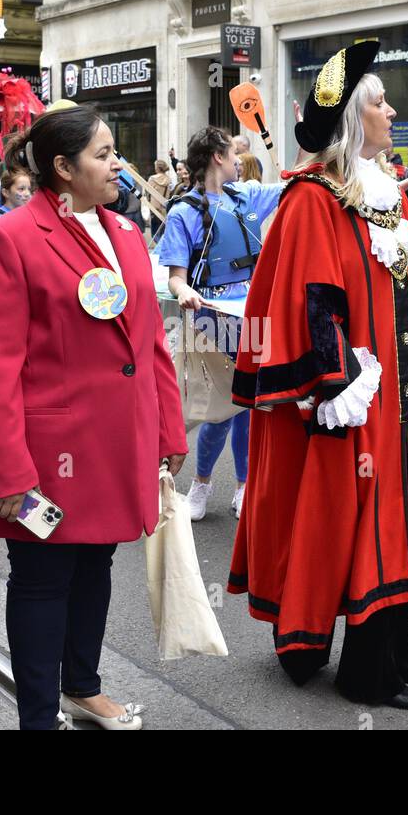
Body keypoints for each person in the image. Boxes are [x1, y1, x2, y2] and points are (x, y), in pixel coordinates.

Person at [228, 41, 408, 709]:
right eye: (381, 102)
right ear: (357, 118)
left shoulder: (393, 195)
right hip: (353, 403)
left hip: (405, 401)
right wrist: (336, 384)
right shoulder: (312, 198)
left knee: (400, 517)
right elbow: (309, 298)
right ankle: (363, 671)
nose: (392, 111)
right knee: (353, 522)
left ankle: (386, 658)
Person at [0, 105, 187, 730]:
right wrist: (8, 472)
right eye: (103, 154)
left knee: (96, 566)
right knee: (41, 579)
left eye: (115, 150)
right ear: (62, 169)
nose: (118, 164)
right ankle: (37, 715)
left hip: (118, 447)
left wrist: (168, 430)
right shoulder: (6, 241)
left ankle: (82, 687)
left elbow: (151, 344)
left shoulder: (123, 233)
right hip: (44, 461)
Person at [158, 127, 283, 521]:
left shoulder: (246, 195)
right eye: (232, 152)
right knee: (218, 407)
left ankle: (244, 486)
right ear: (216, 157)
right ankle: (202, 482)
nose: (237, 160)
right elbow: (176, 276)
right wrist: (184, 293)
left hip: (253, 313)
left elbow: (295, 182)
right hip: (210, 315)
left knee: (248, 405)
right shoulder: (183, 212)